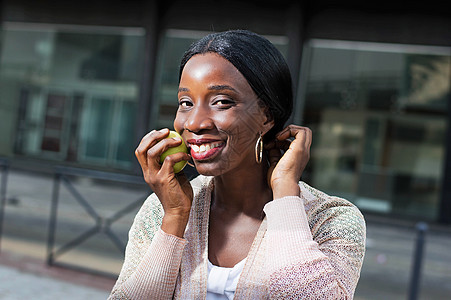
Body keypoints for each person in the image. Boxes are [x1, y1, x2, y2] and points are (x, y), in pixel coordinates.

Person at [109, 29, 366, 299]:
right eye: (186, 102)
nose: (194, 123)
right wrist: (174, 218)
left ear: (266, 117)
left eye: (221, 102)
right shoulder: (161, 209)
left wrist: (285, 193)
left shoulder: (332, 219)